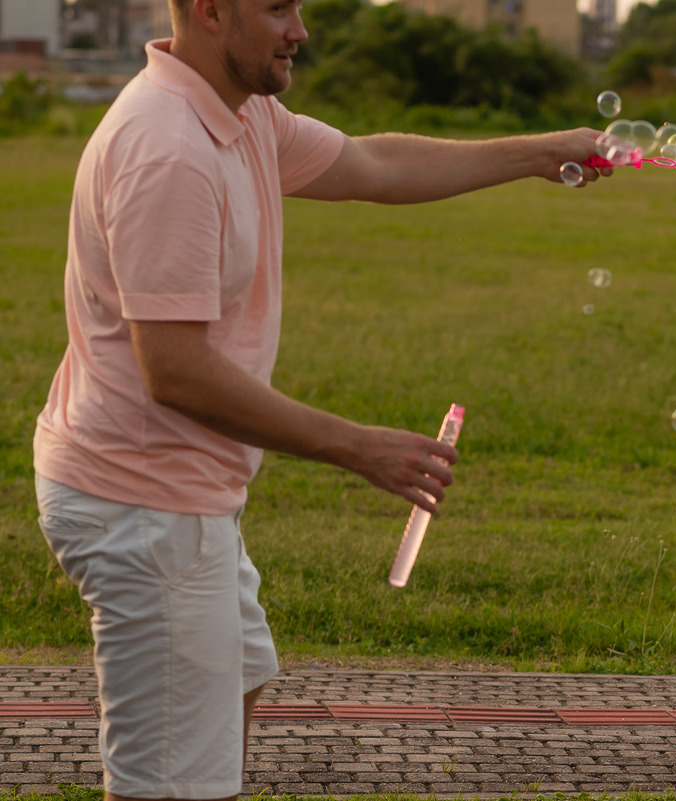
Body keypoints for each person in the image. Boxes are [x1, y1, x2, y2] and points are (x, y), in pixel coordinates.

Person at [32, 1, 612, 799]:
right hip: (141, 502)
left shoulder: (244, 118)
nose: (300, 28)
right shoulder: (167, 149)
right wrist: (357, 444)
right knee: (172, 780)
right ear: (209, 12)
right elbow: (175, 369)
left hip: (181, 492)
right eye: (277, 8)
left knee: (237, 680)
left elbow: (375, 164)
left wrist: (540, 152)